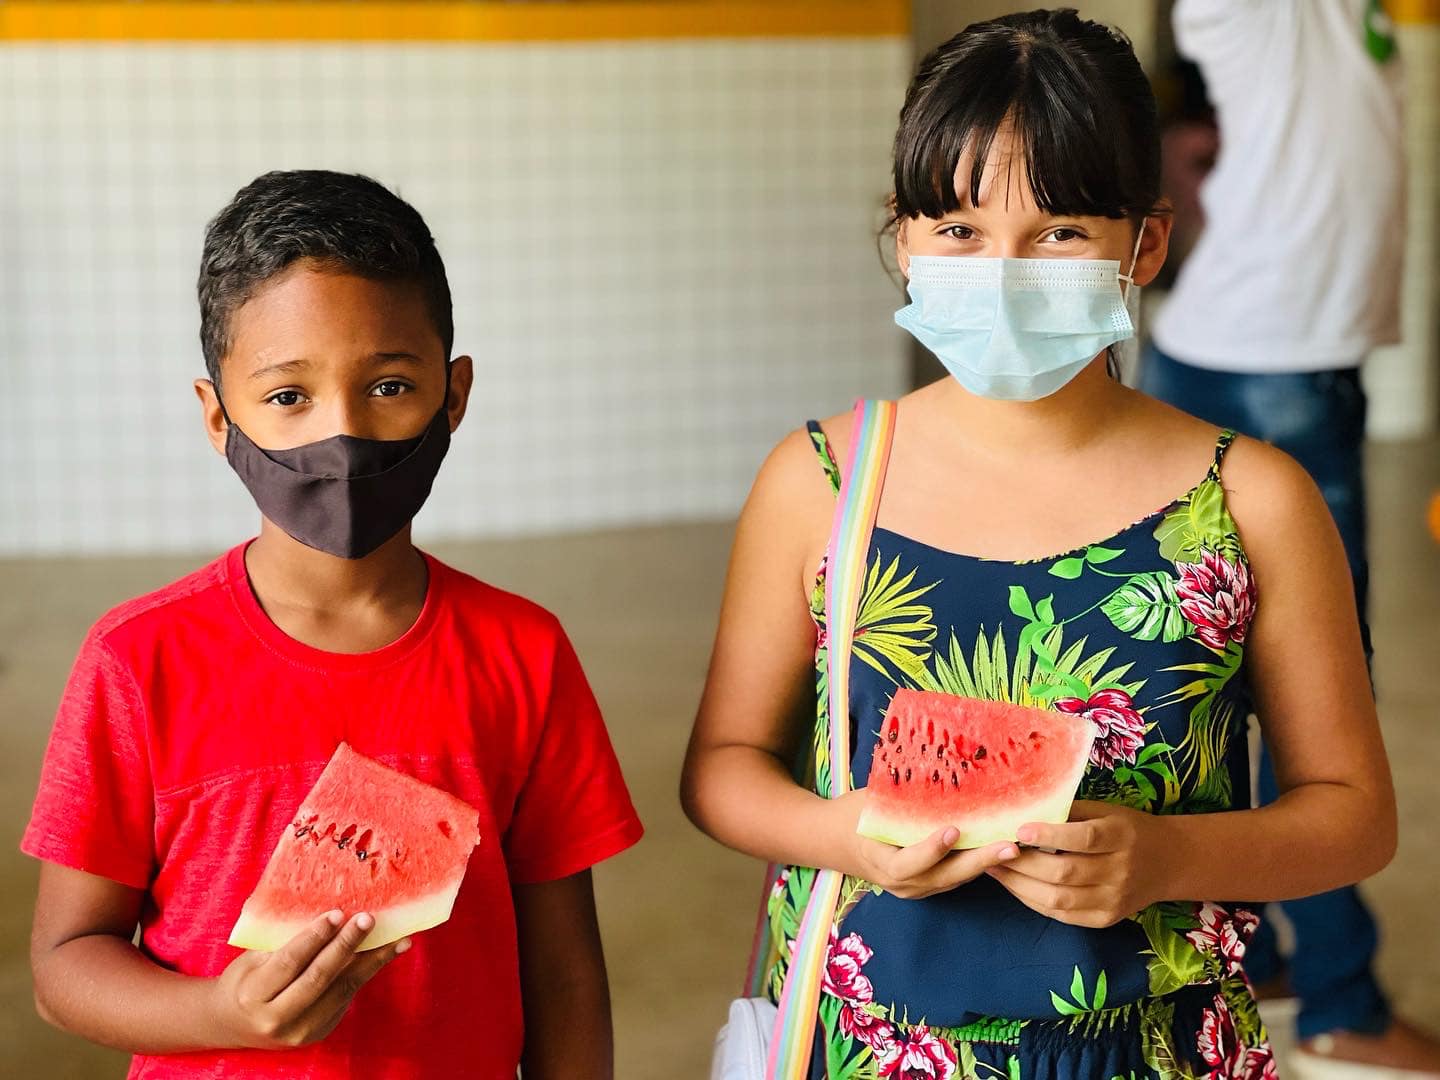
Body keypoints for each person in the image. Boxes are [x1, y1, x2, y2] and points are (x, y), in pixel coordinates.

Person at [681, 10, 1395, 1077]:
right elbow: (723, 769)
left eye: (1058, 233)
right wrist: (850, 832)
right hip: (862, 1040)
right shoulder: (819, 483)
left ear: (1143, 244)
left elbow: (1354, 817)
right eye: (959, 231)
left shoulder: (1253, 500)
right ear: (904, 240)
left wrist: (1166, 857)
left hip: (1153, 1044)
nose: (1003, 271)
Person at [22, 170, 643, 1079]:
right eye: (287, 398)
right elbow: (63, 967)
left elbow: (564, 975)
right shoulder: (137, 660)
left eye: (390, 385)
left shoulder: (525, 652)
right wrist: (218, 1011)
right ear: (215, 415)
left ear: (454, 395)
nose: (343, 434)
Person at [1143, 1, 1440, 1074]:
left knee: (1267, 684)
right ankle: (1341, 1000)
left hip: (1305, 362)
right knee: (1314, 698)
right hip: (1260, 368)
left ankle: (1259, 952)